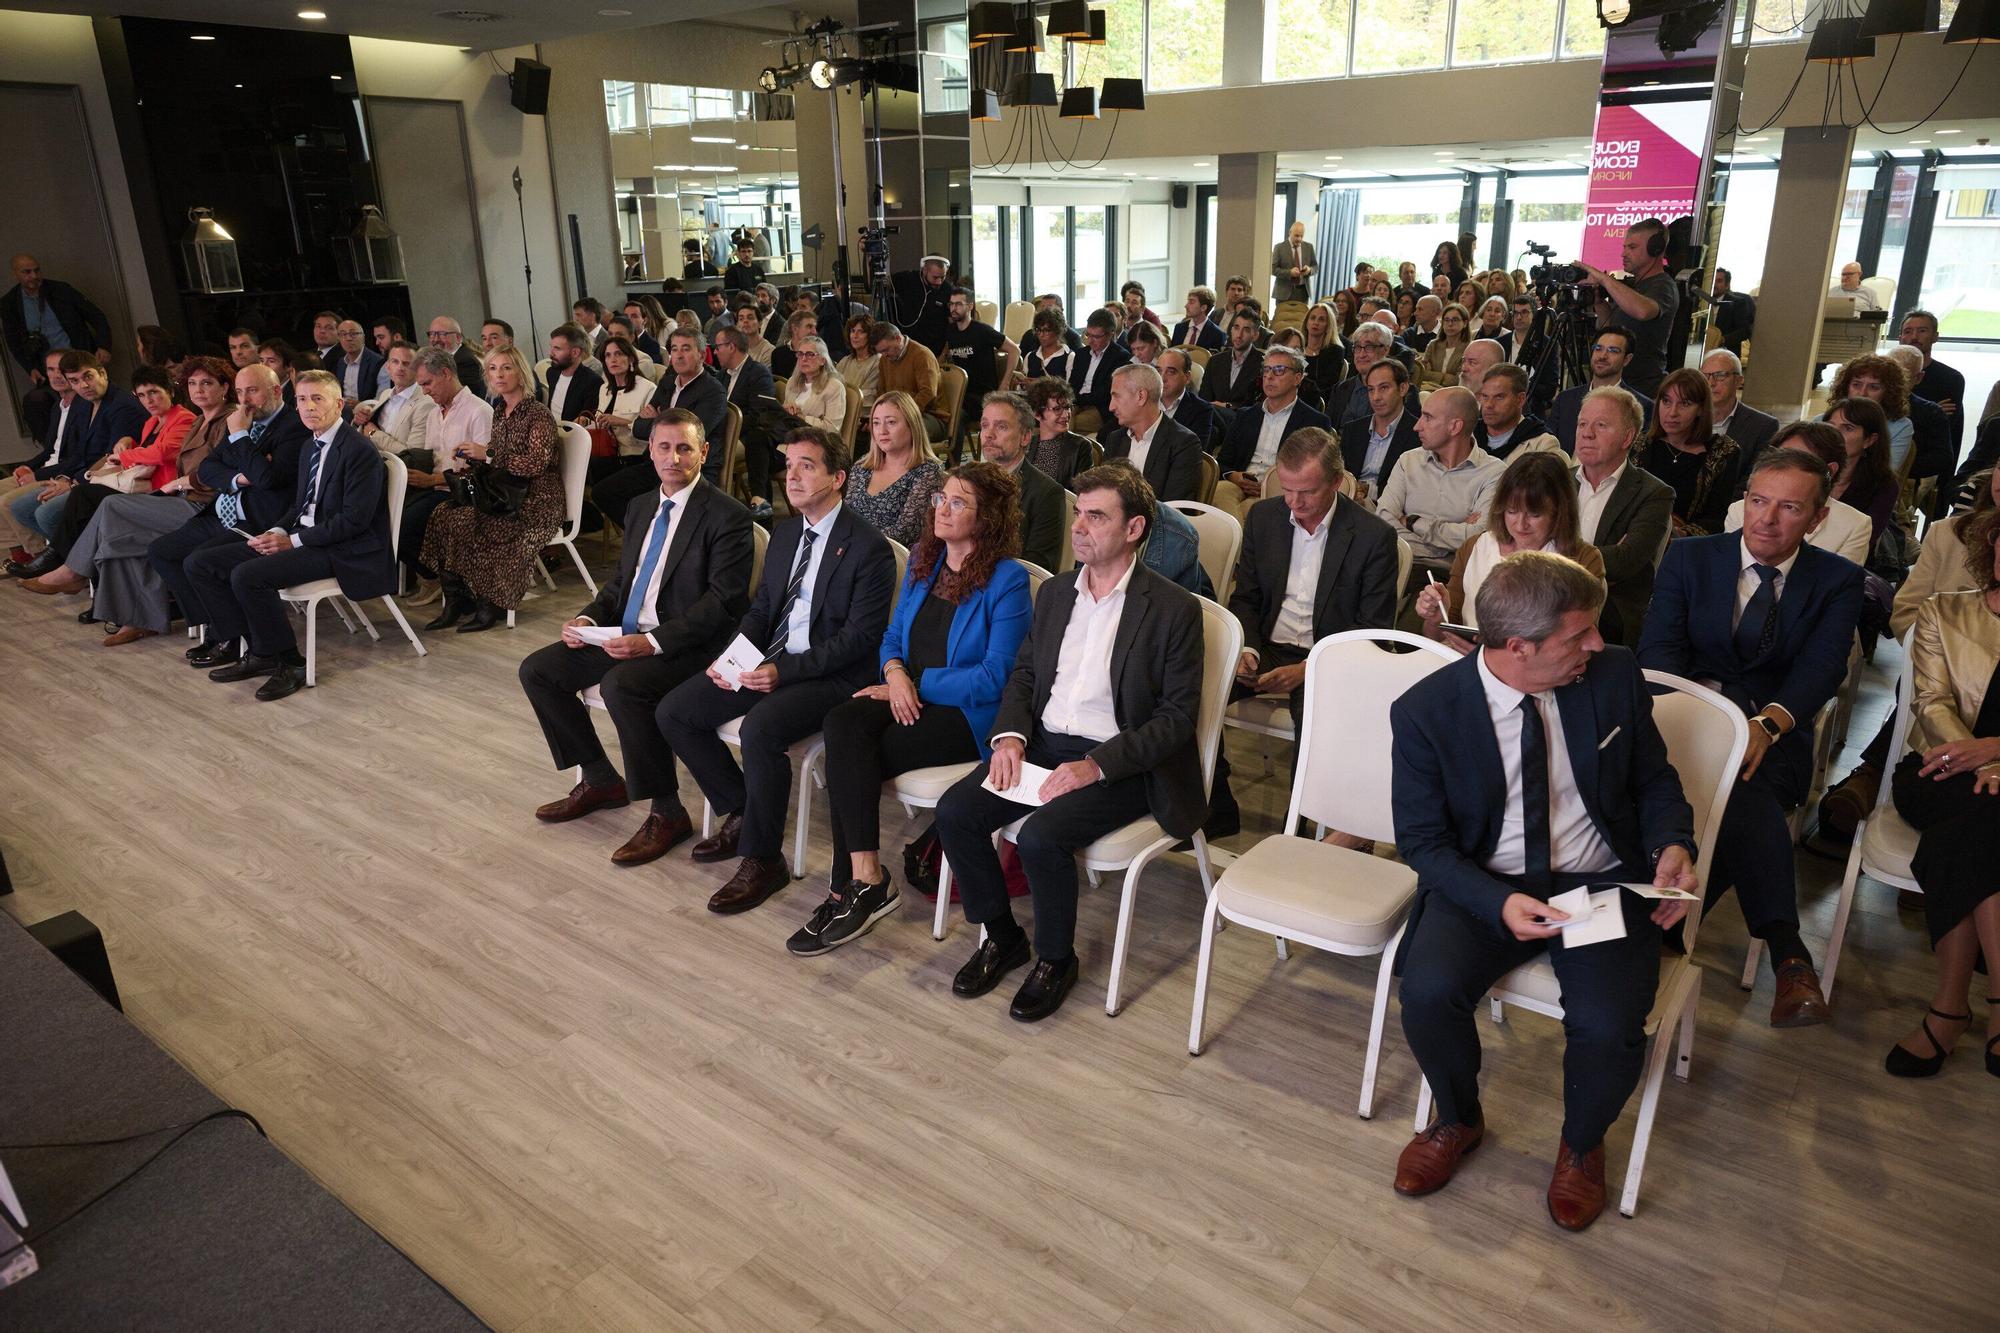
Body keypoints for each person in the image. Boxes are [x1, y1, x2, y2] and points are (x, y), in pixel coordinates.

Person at [1390, 550, 1698, 1232]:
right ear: (1518, 647)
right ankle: (1458, 1117)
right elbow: (1423, 842)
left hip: (1598, 879)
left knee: (1608, 1023)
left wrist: (1671, 845)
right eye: (1579, 634)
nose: (1598, 644)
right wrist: (1496, 901)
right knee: (1428, 992)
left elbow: (1653, 779)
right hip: (1486, 881)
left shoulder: (1613, 675)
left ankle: (1582, 1144)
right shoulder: (1426, 711)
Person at [933, 464, 1205, 1021]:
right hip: (1042, 745)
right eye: (1078, 513)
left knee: (1041, 838)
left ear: (1134, 529)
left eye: (1096, 516)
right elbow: (1025, 676)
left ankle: (1056, 960)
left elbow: (1176, 720)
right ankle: (1002, 935)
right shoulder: (1057, 593)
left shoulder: (1174, 609)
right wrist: (1010, 738)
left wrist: (1095, 766)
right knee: (956, 811)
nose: (1078, 526)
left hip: (1122, 763)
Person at [1638, 449, 1864, 1026]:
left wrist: (1765, 724)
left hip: (1774, 731)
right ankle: (1787, 951)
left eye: (1789, 507)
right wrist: (1705, 724)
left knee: (1739, 782)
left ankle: (1658, 932)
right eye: (1758, 501)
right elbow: (1659, 652)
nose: (1766, 519)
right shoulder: (1690, 557)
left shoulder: (1837, 579)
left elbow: (1822, 668)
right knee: (1733, 786)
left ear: (1817, 517)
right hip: (1686, 716)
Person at [789, 462, 1032, 955]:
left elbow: (994, 676)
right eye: (941, 498)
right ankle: (863, 880)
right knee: (841, 722)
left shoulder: (1008, 580)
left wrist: (915, 684)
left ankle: (852, 889)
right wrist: (895, 673)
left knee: (851, 753)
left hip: (965, 714)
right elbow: (893, 636)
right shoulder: (926, 557)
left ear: (987, 518)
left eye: (958, 503)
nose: (942, 509)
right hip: (907, 693)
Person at [660, 428, 898, 913]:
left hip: (833, 675)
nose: (792, 476)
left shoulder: (868, 547)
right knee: (675, 712)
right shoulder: (787, 533)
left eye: (807, 466)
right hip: (774, 660)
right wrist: (733, 659)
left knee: (762, 728)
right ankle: (743, 812)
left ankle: (764, 859)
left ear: (838, 478)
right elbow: (764, 609)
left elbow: (859, 640)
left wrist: (782, 672)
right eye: (789, 466)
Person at [520, 408, 755, 859]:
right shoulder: (641, 505)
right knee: (539, 670)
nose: (673, 457)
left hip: (686, 643)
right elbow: (623, 583)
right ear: (650, 452)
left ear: (704, 452)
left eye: (684, 448)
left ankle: (667, 812)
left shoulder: (728, 516)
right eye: (664, 447)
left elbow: (722, 604)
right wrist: (588, 620)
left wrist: (652, 642)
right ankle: (600, 779)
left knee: (622, 686)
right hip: (628, 632)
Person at [182, 369, 392, 701]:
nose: (308, 407)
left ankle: (290, 662)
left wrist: (290, 541)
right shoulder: (311, 445)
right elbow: (299, 505)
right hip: (303, 536)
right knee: (202, 563)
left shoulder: (358, 450)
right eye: (302, 399)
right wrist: (277, 529)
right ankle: (255, 648)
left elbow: (353, 522)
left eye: (317, 398)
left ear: (339, 404)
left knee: (248, 575)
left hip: (342, 547)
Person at [1817, 466, 2000, 837]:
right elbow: (1907, 613)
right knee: (1921, 683)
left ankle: (1870, 772)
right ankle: (1872, 773)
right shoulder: (1950, 536)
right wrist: (1940, 646)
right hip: (1941, 679)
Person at [1881, 521, 2000, 1078]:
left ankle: (1949, 1010)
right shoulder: (1945, 611)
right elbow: (1930, 702)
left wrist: (1995, 752)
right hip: (1939, 766)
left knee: (1974, 826)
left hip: (1981, 790)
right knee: (1982, 813)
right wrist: (1980, 761)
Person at [1222, 426, 1398, 787]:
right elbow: (1246, 598)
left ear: (1336, 481)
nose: (1294, 502)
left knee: (1315, 722)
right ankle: (1215, 804)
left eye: (1307, 491)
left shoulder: (1373, 537)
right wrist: (1247, 649)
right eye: (1286, 489)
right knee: (1192, 691)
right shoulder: (1263, 518)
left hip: (1330, 656)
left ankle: (1299, 818)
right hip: (1268, 647)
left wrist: (1308, 668)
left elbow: (1373, 631)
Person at [24, 357, 235, 642]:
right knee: (122, 535)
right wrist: (129, 443)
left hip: (205, 507)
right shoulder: (199, 420)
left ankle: (75, 572)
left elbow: (213, 469)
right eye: (194, 383)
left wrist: (172, 479)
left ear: (225, 387)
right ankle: (137, 618)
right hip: (178, 498)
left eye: (207, 383)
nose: (198, 390)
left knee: (110, 506)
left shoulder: (226, 420)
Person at [420, 345, 565, 634]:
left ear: (520, 372)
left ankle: (491, 604)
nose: (499, 375)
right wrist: (472, 456)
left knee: (480, 522)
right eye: (493, 369)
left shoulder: (537, 414)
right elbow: (496, 459)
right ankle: (457, 600)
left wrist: (486, 453)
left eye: (506, 368)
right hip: (505, 492)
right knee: (444, 515)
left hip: (537, 499)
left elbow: (536, 464)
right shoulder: (500, 410)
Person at [1417, 451, 1607, 654]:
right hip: (1464, 662)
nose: (1520, 524)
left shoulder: (1582, 559)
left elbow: (1578, 644)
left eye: (1534, 514)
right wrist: (1436, 618)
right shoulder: (1475, 547)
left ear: (1559, 512)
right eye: (1511, 511)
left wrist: (1490, 656)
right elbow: (1439, 637)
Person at [36, 363, 194, 568]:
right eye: (142, 395)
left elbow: (163, 453)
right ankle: (69, 562)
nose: (148, 400)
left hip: (163, 492)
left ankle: (62, 561)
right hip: (142, 486)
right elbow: (147, 451)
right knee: (85, 499)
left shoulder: (184, 418)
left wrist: (125, 455)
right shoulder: (152, 422)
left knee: (84, 496)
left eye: (153, 392)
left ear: (170, 391)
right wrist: (129, 442)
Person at [3, 353, 146, 576]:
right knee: (20, 507)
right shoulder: (85, 405)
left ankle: (77, 571)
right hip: (81, 476)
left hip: (109, 481)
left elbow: (112, 459)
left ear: (102, 373)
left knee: (46, 514)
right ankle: (72, 566)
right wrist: (64, 478)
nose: (83, 385)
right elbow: (78, 453)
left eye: (88, 377)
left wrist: (73, 482)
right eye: (75, 381)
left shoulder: (122, 405)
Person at [1570, 386, 1675, 650]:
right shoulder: (1556, 480)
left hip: (1611, 613)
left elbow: (1625, 561)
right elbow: (1526, 546)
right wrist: (1601, 560)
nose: (1587, 433)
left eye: (1601, 425)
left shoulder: (1653, 493)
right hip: (1544, 600)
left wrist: (1552, 555)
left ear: (1627, 437)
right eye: (1582, 424)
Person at [394, 347, 493, 599]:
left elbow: (484, 469)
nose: (425, 391)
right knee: (385, 519)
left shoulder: (479, 411)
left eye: (427, 383)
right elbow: (432, 459)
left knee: (402, 528)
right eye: (421, 385)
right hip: (435, 487)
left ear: (446, 373)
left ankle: (440, 579)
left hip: (464, 493)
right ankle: (436, 577)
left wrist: (433, 480)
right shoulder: (433, 413)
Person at [1377, 386, 1504, 577]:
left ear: (1455, 427)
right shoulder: (1408, 461)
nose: (1417, 426)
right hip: (1396, 563)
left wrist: (1412, 522)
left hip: (1450, 576)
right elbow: (1384, 520)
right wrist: (1444, 546)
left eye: (1428, 418)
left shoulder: (1494, 473)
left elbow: (1478, 537)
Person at [1722, 421, 1873, 567]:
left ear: (1830, 470)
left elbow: (1838, 579)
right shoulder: (1739, 510)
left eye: (1799, 461)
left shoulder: (1855, 524)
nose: (1785, 467)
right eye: (1779, 457)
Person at [1211, 345, 1333, 518]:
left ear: (1297, 378)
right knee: (1219, 490)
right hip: (1240, 485)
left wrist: (1272, 484)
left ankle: (1236, 535)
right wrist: (1234, 476)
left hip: (1282, 491)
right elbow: (1223, 461)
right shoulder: (1246, 415)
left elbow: (1315, 474)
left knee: (1251, 509)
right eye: (1267, 370)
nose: (1269, 376)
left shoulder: (1314, 421)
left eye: (1279, 370)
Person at [3, 254, 113, 438]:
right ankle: (54, 447)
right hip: (47, 369)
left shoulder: (61, 290)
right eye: (27, 272)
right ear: (15, 274)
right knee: (35, 402)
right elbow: (13, 342)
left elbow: (97, 316)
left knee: (87, 400)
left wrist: (103, 346)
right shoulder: (10, 303)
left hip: (79, 361)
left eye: (36, 270)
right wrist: (30, 367)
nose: (34, 276)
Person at [0, 348, 86, 569]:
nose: (56, 375)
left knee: (8, 502)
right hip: (47, 469)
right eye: (50, 370)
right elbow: (50, 451)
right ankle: (19, 552)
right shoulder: (58, 406)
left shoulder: (84, 406)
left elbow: (77, 457)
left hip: (62, 474)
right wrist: (26, 466)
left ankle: (40, 559)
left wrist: (36, 475)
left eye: (61, 370)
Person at [1579, 218, 1678, 398]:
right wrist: (1598, 302)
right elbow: (1611, 326)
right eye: (1624, 247)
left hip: (1643, 388)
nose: (1623, 254)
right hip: (1619, 384)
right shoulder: (1632, 286)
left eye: (1632, 247)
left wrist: (1604, 279)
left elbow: (1643, 311)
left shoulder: (1663, 285)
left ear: (1655, 249)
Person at [1640, 367, 1742, 538]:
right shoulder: (1641, 444)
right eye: (1666, 401)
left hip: (1687, 544)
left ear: (1701, 409)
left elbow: (1717, 518)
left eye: (1685, 404)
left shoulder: (1723, 452)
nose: (1672, 412)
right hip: (1635, 536)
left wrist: (1680, 534)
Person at [978, 390, 1066, 572]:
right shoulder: (967, 482)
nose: (989, 434)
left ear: (1025, 437)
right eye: (985, 425)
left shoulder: (1046, 493)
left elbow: (1038, 567)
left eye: (1001, 427)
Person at [845, 390, 944, 548]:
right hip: (850, 549)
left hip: (892, 556)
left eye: (891, 422)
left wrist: (853, 543)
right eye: (876, 423)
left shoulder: (928, 471)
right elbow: (845, 515)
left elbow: (906, 532)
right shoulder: (862, 466)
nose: (882, 431)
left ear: (912, 425)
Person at [1099, 363, 1202, 504]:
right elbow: (1103, 491)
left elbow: (1174, 509)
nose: (1111, 407)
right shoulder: (1115, 439)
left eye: (1117, 397)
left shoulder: (1183, 444)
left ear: (1141, 396)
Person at [1548, 327, 1653, 454]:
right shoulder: (1565, 399)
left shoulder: (1642, 406)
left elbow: (1636, 455)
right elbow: (1550, 450)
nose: (1602, 356)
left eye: (1613, 351)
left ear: (1627, 359)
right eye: (1598, 348)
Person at [1820, 396, 1900, 553]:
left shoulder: (1884, 485)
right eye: (1830, 425)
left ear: (1869, 440)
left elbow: (1864, 543)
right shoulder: (1804, 469)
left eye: (1848, 428)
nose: (1834, 433)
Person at [943, 288, 1017, 449]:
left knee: (956, 414)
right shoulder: (951, 330)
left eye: (958, 304)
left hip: (982, 396)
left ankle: (953, 461)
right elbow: (943, 357)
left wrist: (1005, 383)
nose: (953, 308)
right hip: (962, 393)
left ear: (970, 306)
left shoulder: (982, 330)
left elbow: (1014, 350)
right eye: (951, 304)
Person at [1340, 359, 1421, 502]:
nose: (1375, 397)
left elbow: (1415, 488)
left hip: (1392, 508)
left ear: (1402, 389)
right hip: (1349, 504)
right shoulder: (1352, 430)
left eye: (1383, 388)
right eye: (1371, 389)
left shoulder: (1419, 433)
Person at [578, 335, 655, 464]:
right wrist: (587, 421)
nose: (613, 359)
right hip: (606, 451)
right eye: (608, 355)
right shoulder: (604, 389)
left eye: (618, 354)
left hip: (635, 456)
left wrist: (621, 422)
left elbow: (652, 431)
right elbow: (602, 423)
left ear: (630, 359)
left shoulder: (648, 388)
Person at [1702, 349, 1778, 481]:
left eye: (1720, 375)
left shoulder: (1763, 426)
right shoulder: (1687, 417)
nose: (1711, 383)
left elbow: (1754, 479)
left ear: (1738, 381)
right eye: (1705, 376)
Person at [1899, 309, 1964, 460]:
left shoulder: (1950, 378)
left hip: (1928, 458)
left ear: (1935, 336)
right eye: (1908, 331)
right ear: (1900, 338)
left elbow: (1942, 426)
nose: (1914, 337)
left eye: (1922, 331)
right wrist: (1932, 410)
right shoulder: (1885, 374)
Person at [352, 341, 431, 456]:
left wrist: (374, 434)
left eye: (406, 363)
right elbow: (365, 429)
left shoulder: (426, 404)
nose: (400, 368)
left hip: (396, 466)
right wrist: (361, 421)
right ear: (388, 367)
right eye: (395, 362)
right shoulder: (386, 394)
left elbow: (412, 456)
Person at [871, 321, 943, 440]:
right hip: (897, 415)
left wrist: (901, 415)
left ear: (898, 338)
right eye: (881, 352)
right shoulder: (885, 360)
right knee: (875, 429)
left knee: (899, 432)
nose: (884, 355)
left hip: (929, 415)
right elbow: (882, 392)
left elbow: (928, 394)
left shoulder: (922, 355)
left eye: (886, 349)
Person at [1471, 364, 1558, 461]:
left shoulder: (1542, 446)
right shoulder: (1467, 435)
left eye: (1499, 397)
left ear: (1520, 399)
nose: (1489, 405)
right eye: (1485, 396)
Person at [1023, 377, 1095, 491]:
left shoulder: (1081, 446)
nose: (1066, 415)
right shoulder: (1027, 444)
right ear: (1037, 414)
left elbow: (1083, 492)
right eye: (1057, 409)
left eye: (1067, 407)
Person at [1067, 308, 1132, 436]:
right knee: (1054, 418)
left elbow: (1105, 393)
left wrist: (1078, 400)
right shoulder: (1081, 354)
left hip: (1100, 408)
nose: (1090, 340)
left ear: (1110, 334)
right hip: (1076, 403)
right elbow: (1072, 384)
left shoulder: (1120, 357)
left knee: (1066, 422)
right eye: (1088, 335)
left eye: (1096, 336)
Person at [782, 335, 846, 438]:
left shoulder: (835, 387)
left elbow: (832, 429)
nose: (804, 359)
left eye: (810, 354)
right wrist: (785, 410)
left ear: (823, 360)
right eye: (800, 354)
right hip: (789, 435)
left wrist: (802, 417)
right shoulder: (792, 382)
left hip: (815, 440)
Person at [541, 323, 604, 425]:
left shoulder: (592, 382)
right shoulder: (552, 373)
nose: (551, 353)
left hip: (573, 432)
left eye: (557, 348)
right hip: (551, 428)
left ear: (575, 353)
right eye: (551, 347)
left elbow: (587, 419)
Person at [1202, 309, 1264, 409]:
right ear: (1231, 330)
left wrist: (1229, 406)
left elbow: (1259, 405)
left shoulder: (1263, 363)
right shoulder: (1215, 361)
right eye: (1236, 328)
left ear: (1255, 336)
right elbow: (1204, 399)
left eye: (1246, 330)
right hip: (1214, 416)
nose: (1239, 335)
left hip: (1244, 417)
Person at [1157, 348, 1215, 447]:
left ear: (1187, 378)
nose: (1162, 378)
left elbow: (1194, 451)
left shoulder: (1201, 410)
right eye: (1158, 371)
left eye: (1171, 372)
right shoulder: (1144, 400)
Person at [426, 316, 487, 399]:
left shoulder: (466, 362)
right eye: (432, 334)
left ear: (458, 337)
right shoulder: (438, 361)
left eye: (442, 334)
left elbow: (460, 398)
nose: (436, 339)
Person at [834, 313, 883, 414]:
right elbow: (833, 390)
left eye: (861, 332)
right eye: (852, 331)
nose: (855, 336)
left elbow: (866, 398)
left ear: (870, 335)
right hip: (840, 412)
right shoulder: (845, 361)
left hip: (864, 416)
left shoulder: (878, 362)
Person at [328, 319, 385, 404]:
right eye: (343, 334)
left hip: (367, 410)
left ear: (363, 337)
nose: (348, 338)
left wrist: (361, 405)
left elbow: (382, 397)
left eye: (353, 334)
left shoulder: (378, 362)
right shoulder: (340, 363)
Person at [1417, 303, 1470, 391]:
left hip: (1455, 392)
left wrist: (1432, 374)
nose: (1450, 324)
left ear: (1465, 323)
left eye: (1455, 320)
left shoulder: (1469, 348)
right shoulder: (1433, 345)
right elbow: (1421, 374)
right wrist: (1444, 377)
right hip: (1428, 389)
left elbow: (1459, 380)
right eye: (1446, 320)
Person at [1708, 267, 1756, 359]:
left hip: (1726, 354)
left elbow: (1744, 331)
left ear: (1727, 285)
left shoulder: (1738, 303)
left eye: (1719, 281)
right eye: (1713, 281)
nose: (1714, 284)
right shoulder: (1702, 301)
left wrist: (1722, 340)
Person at [1020, 307, 1074, 384]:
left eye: (1047, 330)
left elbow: (1070, 388)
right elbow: (1021, 388)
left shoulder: (1069, 357)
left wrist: (1039, 385)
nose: (1041, 335)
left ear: (1058, 331)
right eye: (1038, 330)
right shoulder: (1030, 356)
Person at [1271, 220, 1317, 305]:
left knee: (1302, 314)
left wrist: (1309, 270)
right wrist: (1289, 273)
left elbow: (1315, 267)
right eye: (1296, 236)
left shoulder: (1309, 247)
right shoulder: (1279, 247)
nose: (1299, 239)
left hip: (1303, 293)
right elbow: (1273, 270)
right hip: (1283, 294)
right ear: (1290, 233)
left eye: (1301, 236)